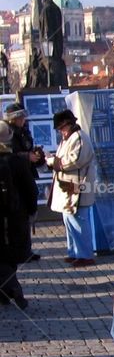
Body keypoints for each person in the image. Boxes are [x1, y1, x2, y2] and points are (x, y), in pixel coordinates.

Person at [47, 110, 96, 267]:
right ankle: (74, 252)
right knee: (69, 221)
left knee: (79, 221)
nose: (61, 131)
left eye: (62, 128)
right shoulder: (67, 139)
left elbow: (75, 161)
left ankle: (85, 255)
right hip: (69, 188)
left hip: (78, 187)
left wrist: (53, 161)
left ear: (69, 124)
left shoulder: (80, 138)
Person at [0, 124, 38, 309]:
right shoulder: (17, 161)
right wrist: (31, 211)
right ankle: (12, 289)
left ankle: (7, 292)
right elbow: (31, 190)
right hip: (16, 216)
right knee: (10, 254)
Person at [1, 103, 45, 261]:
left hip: (24, 174)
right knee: (16, 218)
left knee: (23, 218)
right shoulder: (6, 131)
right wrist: (26, 157)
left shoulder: (23, 131)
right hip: (12, 179)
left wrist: (36, 156)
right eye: (20, 117)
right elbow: (8, 155)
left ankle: (25, 250)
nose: (23, 120)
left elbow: (26, 148)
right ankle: (18, 251)